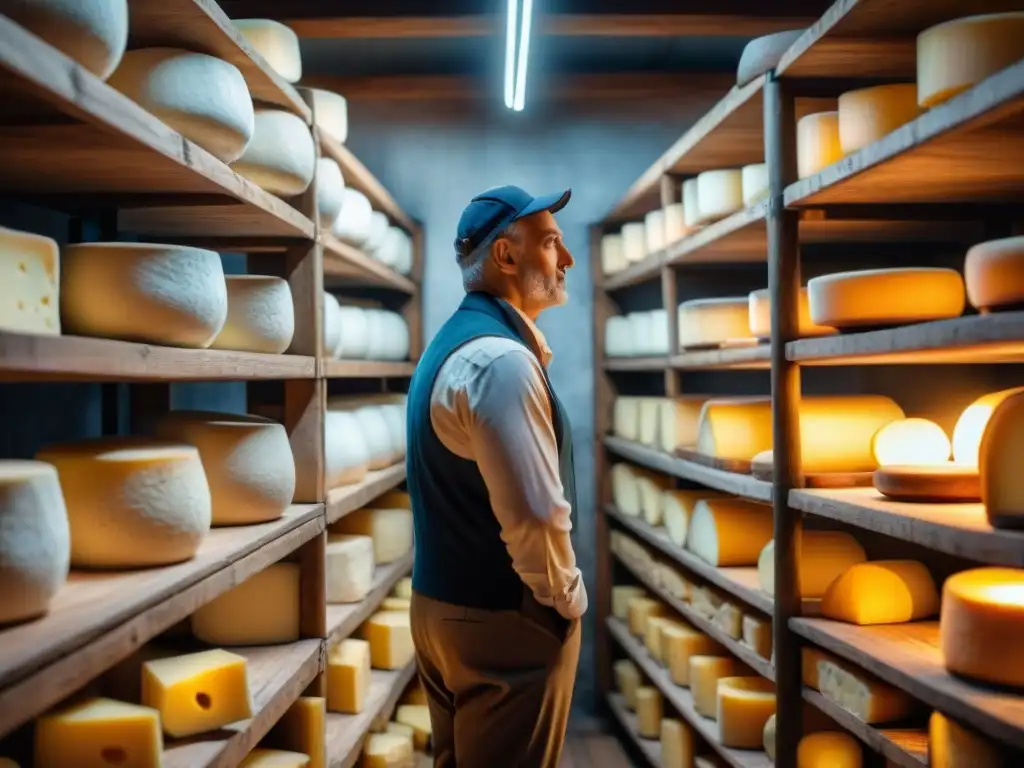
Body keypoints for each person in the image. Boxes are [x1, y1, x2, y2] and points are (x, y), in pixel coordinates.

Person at [405, 185, 586, 767]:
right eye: (552, 243)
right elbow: (536, 513)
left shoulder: (452, 345)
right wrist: (564, 601)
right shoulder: (501, 362)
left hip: (441, 606)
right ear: (506, 257)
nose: (567, 259)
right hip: (505, 619)